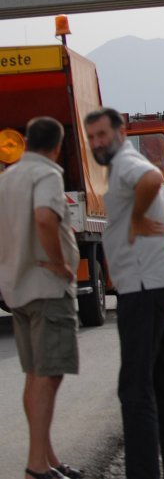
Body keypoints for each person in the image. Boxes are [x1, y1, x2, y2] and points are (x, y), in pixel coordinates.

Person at [83, 108, 164, 479]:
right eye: (92, 137)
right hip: (158, 283)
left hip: (145, 287)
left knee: (135, 391)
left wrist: (133, 218)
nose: (97, 142)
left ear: (119, 132)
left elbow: (151, 178)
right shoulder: (121, 165)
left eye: (102, 134)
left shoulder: (129, 163)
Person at [0, 117, 84, 479]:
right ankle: (37, 464)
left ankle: (47, 457)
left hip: (17, 288)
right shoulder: (47, 175)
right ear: (58, 145)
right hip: (46, 288)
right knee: (49, 375)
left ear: (27, 142)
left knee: (36, 375)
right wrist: (60, 264)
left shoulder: (7, 178)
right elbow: (45, 219)